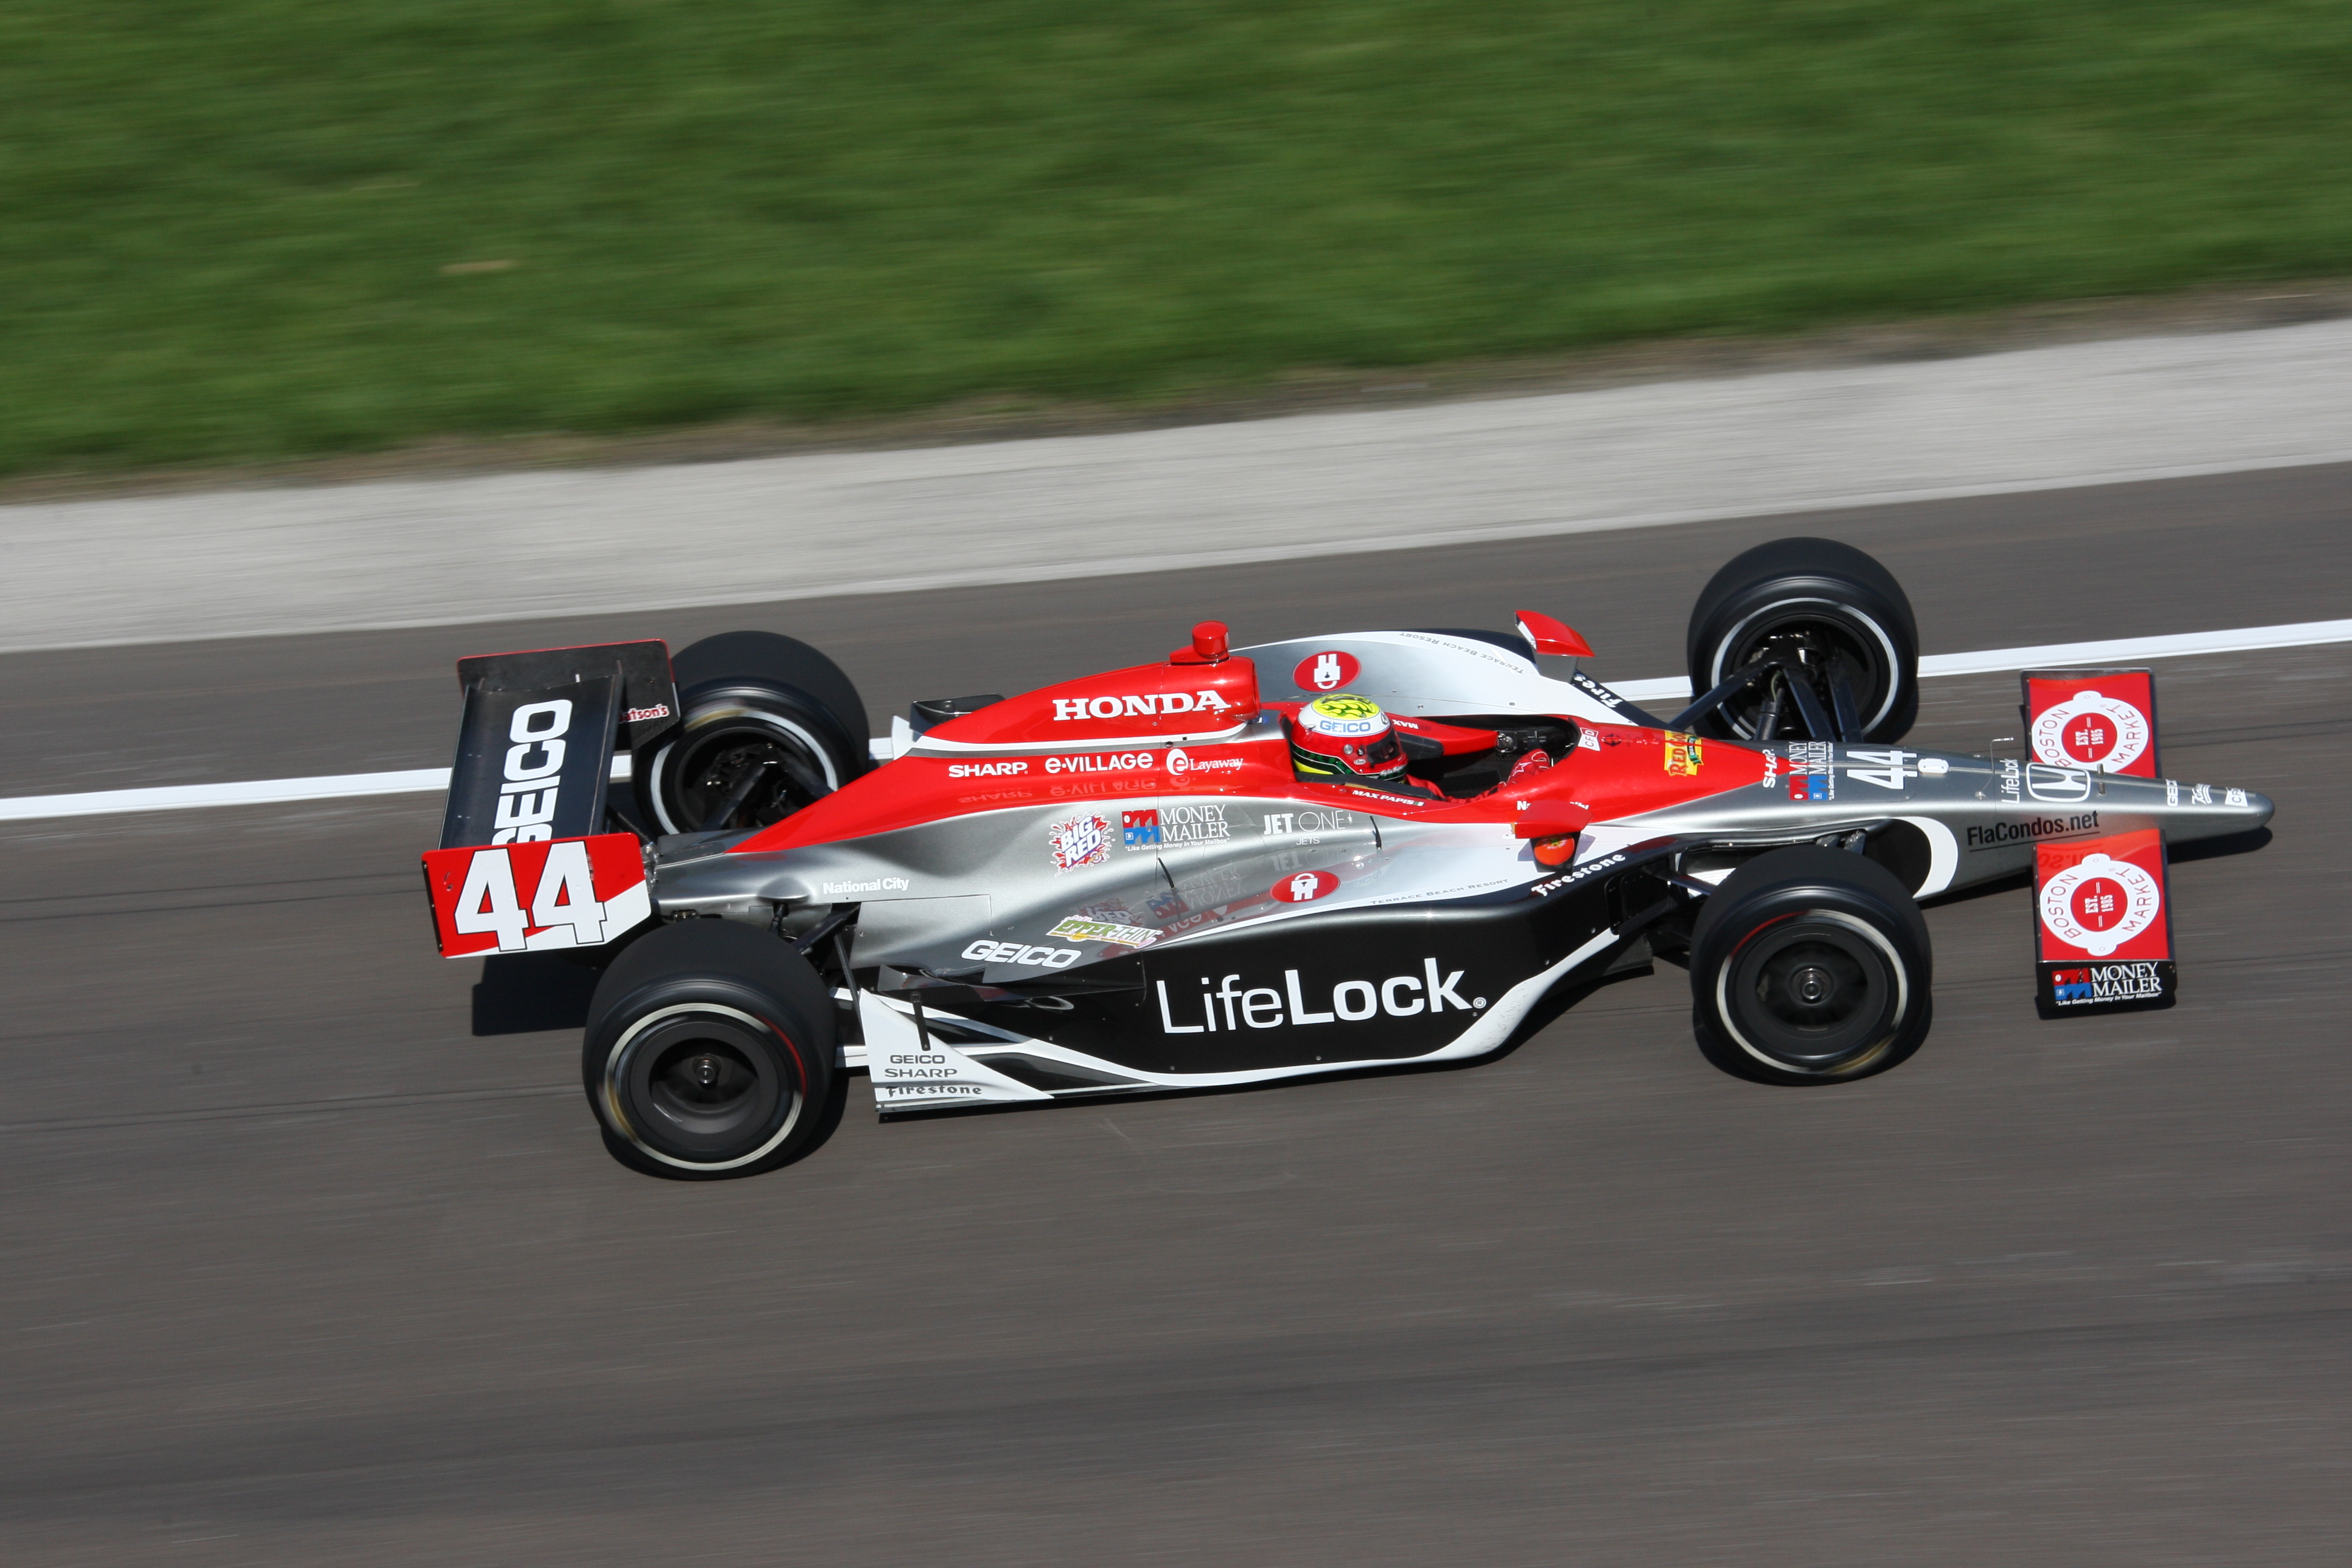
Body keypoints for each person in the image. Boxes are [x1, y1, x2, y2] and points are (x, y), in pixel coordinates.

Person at [1287, 693, 1553, 796]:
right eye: (1381, 752)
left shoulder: (1410, 786)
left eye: (1391, 745)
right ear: (1344, 760)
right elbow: (1464, 815)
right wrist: (1521, 784)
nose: (1394, 754)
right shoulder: (1399, 799)